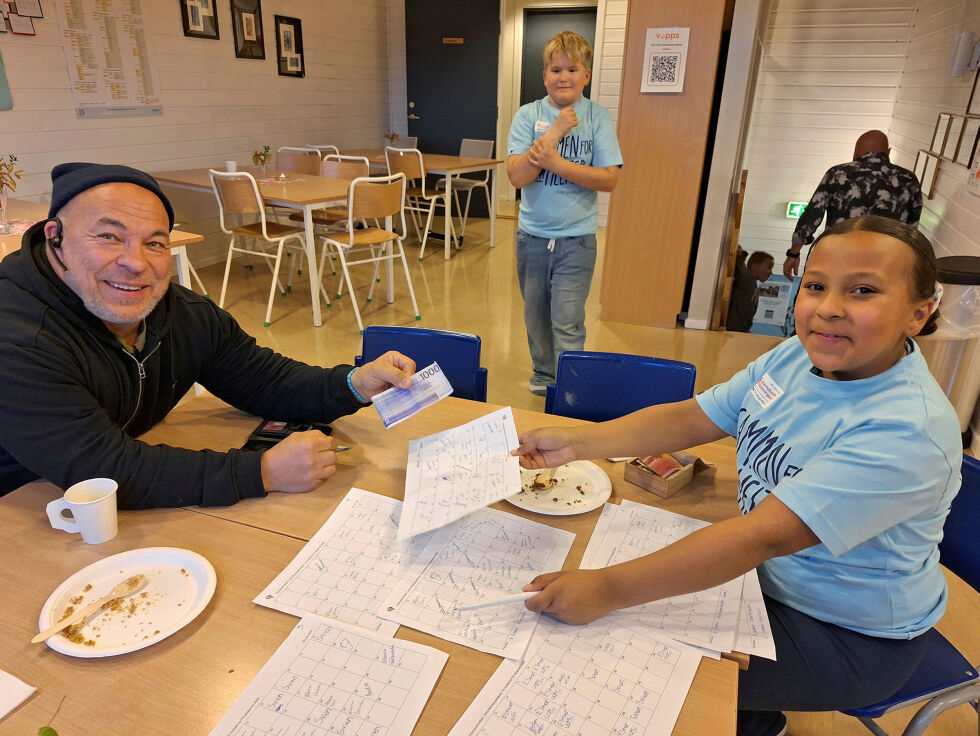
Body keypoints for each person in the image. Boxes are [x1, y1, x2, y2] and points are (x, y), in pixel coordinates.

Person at [513, 216, 961, 736]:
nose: (829, 308)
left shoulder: (906, 428)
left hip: (846, 634)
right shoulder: (800, 355)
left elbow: (761, 536)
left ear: (918, 313)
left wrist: (608, 589)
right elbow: (694, 417)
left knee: (627, 651)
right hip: (763, 584)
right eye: (815, 286)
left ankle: (750, 720)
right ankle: (756, 718)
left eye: (863, 290)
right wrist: (578, 443)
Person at [0, 163, 415, 508]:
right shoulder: (17, 339)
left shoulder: (181, 314)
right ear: (54, 236)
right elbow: (103, 470)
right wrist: (262, 471)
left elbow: (263, 380)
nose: (134, 263)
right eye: (108, 236)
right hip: (24, 509)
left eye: (155, 243)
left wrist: (352, 385)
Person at [506, 30, 623, 396]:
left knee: (568, 320)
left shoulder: (598, 118)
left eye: (572, 69)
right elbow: (516, 175)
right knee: (537, 317)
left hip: (576, 239)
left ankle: (571, 386)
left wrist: (554, 162)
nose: (563, 77)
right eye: (556, 70)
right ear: (545, 77)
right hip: (532, 238)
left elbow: (608, 179)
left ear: (586, 75)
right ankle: (544, 377)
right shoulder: (528, 116)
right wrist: (555, 132)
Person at [785, 130, 921, 279]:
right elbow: (911, 228)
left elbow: (812, 214)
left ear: (856, 151)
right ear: (888, 151)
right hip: (885, 261)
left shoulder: (838, 174)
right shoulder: (909, 179)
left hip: (839, 256)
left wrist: (794, 252)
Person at [727, 248, 775, 333]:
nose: (771, 273)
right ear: (755, 266)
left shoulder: (753, 284)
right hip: (733, 330)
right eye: (769, 267)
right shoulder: (747, 279)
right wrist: (741, 254)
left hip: (740, 330)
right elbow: (739, 265)